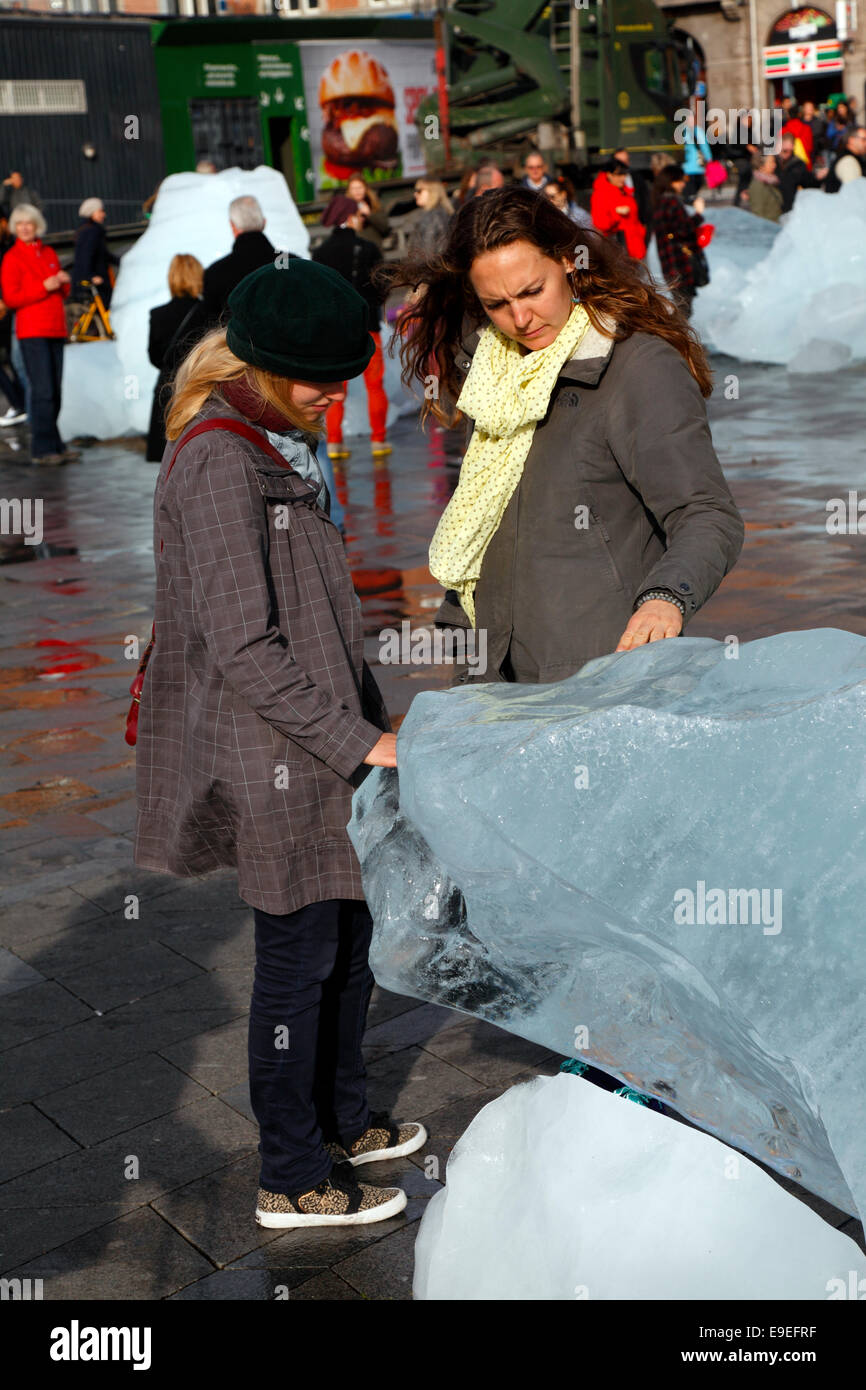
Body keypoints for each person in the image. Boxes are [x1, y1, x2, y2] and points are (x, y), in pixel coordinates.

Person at [134, 258, 426, 1230]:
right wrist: (362, 741)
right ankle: (291, 1174)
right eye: (318, 380)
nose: (332, 395)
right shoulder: (221, 457)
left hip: (316, 749)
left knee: (344, 940)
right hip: (277, 757)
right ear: (261, 363)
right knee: (298, 961)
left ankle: (341, 1120)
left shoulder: (269, 438)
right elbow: (245, 647)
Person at [382, 185, 743, 684]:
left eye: (532, 291)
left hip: (604, 676)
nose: (520, 318)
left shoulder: (637, 367)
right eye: (497, 304)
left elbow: (706, 513)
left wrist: (666, 599)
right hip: (491, 680)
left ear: (568, 261)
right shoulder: (492, 373)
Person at [312, 195, 390, 460]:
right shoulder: (368, 248)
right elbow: (381, 286)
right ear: (350, 217)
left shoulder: (320, 253)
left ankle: (334, 443)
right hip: (366, 325)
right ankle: (378, 440)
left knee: (335, 389)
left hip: (335, 331)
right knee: (374, 385)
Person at [0, 204, 76, 465]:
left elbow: (61, 292)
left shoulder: (49, 252)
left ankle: (55, 443)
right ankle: (42, 449)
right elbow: (11, 298)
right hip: (32, 331)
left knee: (55, 391)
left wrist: (63, 282)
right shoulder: (12, 258)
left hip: (55, 328)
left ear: (36, 225)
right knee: (42, 390)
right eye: (19, 223)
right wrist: (44, 286)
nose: (24, 227)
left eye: (28, 223)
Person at [145, 253, 209, 463]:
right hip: (198, 389)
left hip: (167, 389)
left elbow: (155, 357)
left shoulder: (158, 314)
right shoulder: (207, 312)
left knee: (169, 459)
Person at [202, 196, 275, 324]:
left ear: (233, 226)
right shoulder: (287, 261)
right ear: (264, 222)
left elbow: (211, 327)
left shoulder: (216, 273)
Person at [650, 166, 707, 318]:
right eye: (681, 180)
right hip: (680, 263)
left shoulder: (660, 201)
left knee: (682, 305)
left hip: (670, 263)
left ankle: (682, 339)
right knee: (684, 308)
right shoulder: (672, 202)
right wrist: (699, 214)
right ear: (672, 182)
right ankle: (681, 340)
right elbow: (683, 230)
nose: (683, 184)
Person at [0, 208, 27, 426]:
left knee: (15, 359)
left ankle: (21, 404)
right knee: (13, 359)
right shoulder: (9, 246)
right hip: (8, 307)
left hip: (8, 308)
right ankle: (20, 403)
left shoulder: (9, 247)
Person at [590, 160, 646, 260]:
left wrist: (641, 233)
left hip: (634, 249)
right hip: (617, 250)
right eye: (619, 175)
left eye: (624, 175)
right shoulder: (600, 194)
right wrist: (616, 213)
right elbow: (601, 223)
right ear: (609, 174)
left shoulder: (625, 191)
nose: (623, 178)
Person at [71, 198, 119, 308]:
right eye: (100, 211)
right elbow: (85, 255)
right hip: (95, 281)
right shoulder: (91, 231)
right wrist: (90, 276)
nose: (104, 214)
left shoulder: (87, 230)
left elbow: (103, 254)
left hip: (92, 279)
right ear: (92, 212)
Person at [328, 177, 390, 250]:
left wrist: (369, 214)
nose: (357, 191)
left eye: (360, 187)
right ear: (349, 191)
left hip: (373, 249)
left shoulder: (374, 205)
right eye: (353, 188)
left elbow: (385, 228)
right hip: (351, 250)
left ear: (365, 189)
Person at [407, 178, 454, 256]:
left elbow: (426, 253)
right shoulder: (443, 212)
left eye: (419, 191)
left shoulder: (432, 217)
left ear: (432, 192)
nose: (415, 194)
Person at [775, 133, 819, 212]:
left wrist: (817, 178)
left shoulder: (798, 164)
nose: (785, 153)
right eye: (783, 150)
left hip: (788, 206)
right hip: (772, 204)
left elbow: (809, 183)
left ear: (793, 147)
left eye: (787, 151)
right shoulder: (772, 161)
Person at [744, 152, 783, 222]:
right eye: (771, 162)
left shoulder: (771, 182)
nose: (775, 165)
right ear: (761, 166)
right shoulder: (758, 186)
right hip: (768, 228)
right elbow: (757, 214)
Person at [680, 110, 710, 201]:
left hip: (691, 166)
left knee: (690, 190)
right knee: (693, 189)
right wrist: (709, 158)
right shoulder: (696, 131)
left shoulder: (684, 132)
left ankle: (689, 202)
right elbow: (704, 147)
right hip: (693, 166)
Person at [824, 127, 866, 191]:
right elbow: (854, 191)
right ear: (851, 140)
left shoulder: (855, 158)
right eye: (864, 139)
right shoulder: (848, 161)